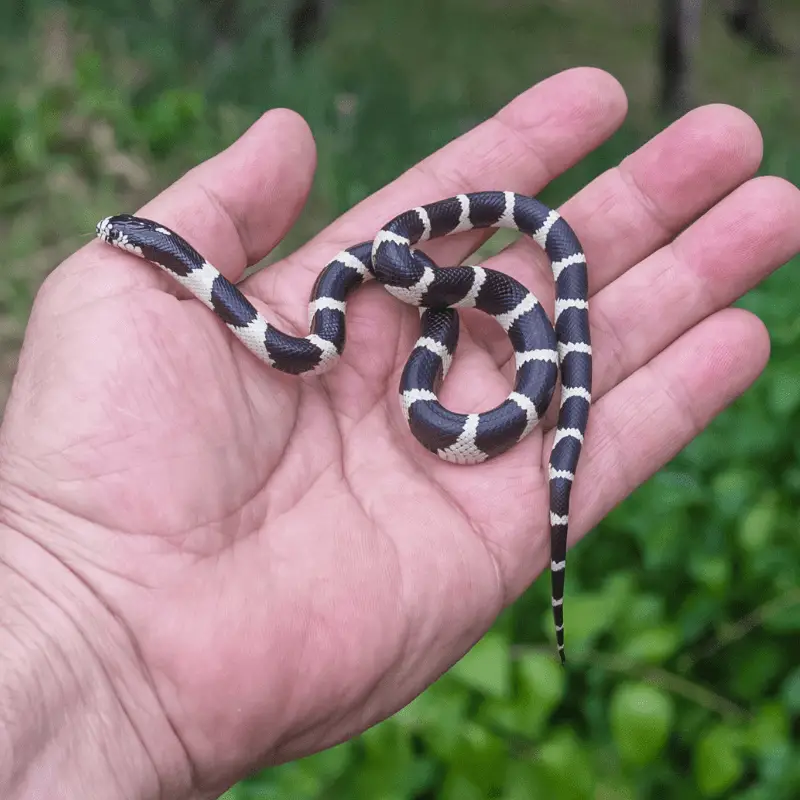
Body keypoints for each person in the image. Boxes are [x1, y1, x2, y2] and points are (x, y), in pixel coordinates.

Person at [1, 66, 798, 798]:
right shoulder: (315, 328)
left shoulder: (362, 295)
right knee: (440, 316)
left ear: (169, 261)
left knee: (482, 321)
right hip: (413, 301)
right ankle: (534, 354)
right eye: (122, 237)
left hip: (437, 291)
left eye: (125, 237)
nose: (113, 242)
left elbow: (382, 309)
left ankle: (540, 344)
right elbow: (331, 339)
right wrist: (69, 585)